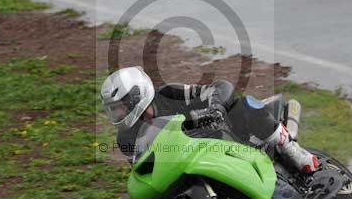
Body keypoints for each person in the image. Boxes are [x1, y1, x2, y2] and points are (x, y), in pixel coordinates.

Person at [100, 66, 319, 173]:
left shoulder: (168, 94)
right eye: (114, 110)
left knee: (243, 104)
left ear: (137, 96)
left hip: (225, 135)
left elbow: (219, 87)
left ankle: (291, 149)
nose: (118, 114)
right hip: (191, 162)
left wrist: (215, 108)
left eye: (120, 107)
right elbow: (143, 169)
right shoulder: (125, 137)